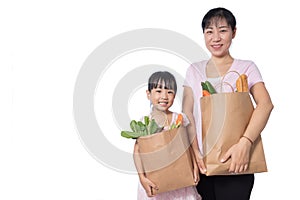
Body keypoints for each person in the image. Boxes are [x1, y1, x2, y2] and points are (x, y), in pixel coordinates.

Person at [182, 7, 274, 200]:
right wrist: (194, 153)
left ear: (234, 32)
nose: (216, 38)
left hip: (236, 162)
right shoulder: (194, 70)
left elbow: (265, 104)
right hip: (202, 164)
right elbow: (187, 114)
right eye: (209, 31)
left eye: (222, 30)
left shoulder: (246, 67)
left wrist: (245, 143)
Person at [134, 71, 202, 200]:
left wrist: (194, 167)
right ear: (148, 94)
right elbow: (137, 151)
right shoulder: (145, 122)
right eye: (158, 91)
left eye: (169, 92)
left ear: (175, 95)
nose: (164, 96)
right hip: (156, 182)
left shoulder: (180, 118)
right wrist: (142, 177)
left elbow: (188, 146)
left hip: (181, 182)